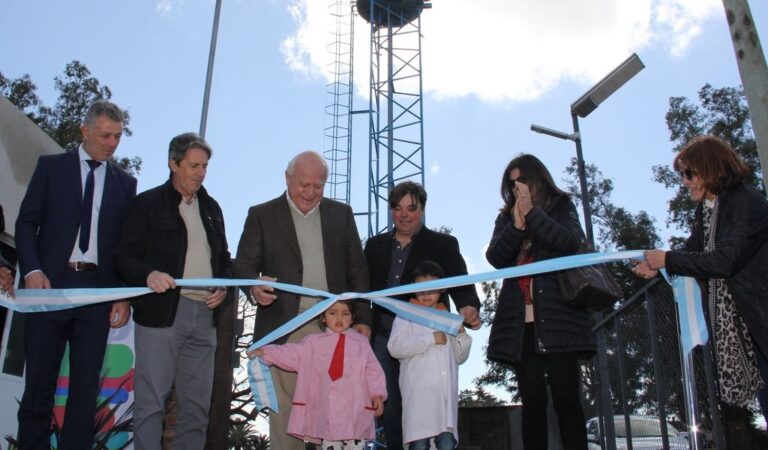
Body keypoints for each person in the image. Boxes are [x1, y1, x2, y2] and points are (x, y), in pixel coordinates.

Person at [14, 100, 136, 449]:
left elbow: (124, 247)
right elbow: (26, 223)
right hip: (49, 288)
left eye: (117, 137)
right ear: (85, 131)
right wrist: (33, 270)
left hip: (95, 294)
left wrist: (122, 294)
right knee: (39, 383)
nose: (112, 143)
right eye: (105, 135)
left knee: (84, 392)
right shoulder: (51, 168)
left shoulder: (125, 184)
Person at [633, 135, 768, 449]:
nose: (684, 182)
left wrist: (667, 259)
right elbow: (694, 252)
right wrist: (659, 266)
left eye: (688, 173)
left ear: (710, 169)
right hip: (752, 334)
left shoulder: (746, 203)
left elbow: (724, 261)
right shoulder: (709, 211)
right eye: (681, 175)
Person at [233, 150, 370, 450]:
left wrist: (363, 320)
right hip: (285, 328)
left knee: (335, 410)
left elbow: (357, 270)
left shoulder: (341, 214)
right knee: (287, 411)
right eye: (303, 184)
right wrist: (254, 287)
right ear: (287, 178)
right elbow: (243, 265)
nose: (310, 192)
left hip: (335, 329)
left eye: (318, 186)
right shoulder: (262, 214)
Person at [113, 133, 231, 449]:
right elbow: (123, 256)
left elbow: (223, 260)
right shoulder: (148, 203)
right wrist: (148, 274)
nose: (200, 173)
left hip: (205, 318)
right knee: (151, 404)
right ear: (173, 163)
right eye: (193, 165)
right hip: (161, 315)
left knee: (196, 409)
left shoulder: (212, 209)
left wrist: (222, 285)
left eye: (204, 166)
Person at [485, 153, 594, 450]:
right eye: (512, 183)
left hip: (560, 319)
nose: (517, 187)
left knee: (566, 400)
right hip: (521, 323)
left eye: (521, 180)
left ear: (537, 178)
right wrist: (517, 226)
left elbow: (570, 243)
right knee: (532, 401)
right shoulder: (506, 217)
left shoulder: (561, 205)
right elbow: (495, 258)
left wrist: (533, 214)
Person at [364, 180, 481, 450]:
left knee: (432, 410)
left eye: (411, 208)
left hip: (429, 338)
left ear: (423, 209)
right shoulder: (374, 246)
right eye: (397, 208)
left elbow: (461, 282)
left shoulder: (443, 244)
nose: (403, 214)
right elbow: (362, 286)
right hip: (384, 336)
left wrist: (469, 307)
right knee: (390, 408)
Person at [249, 300, 386, 449]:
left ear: (352, 318)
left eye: (345, 314)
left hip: (353, 415)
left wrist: (377, 394)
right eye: (333, 313)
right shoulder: (312, 343)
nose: (339, 318)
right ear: (323, 317)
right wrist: (266, 352)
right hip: (326, 415)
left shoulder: (361, 343)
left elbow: (373, 369)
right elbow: (291, 354)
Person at [387, 260, 472, 450]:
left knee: (446, 443)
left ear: (442, 289)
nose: (426, 294)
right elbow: (395, 347)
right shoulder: (405, 315)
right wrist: (430, 339)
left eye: (431, 288)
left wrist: (462, 335)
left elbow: (459, 357)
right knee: (419, 443)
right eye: (421, 288)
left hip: (444, 397)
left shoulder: (448, 318)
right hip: (419, 395)